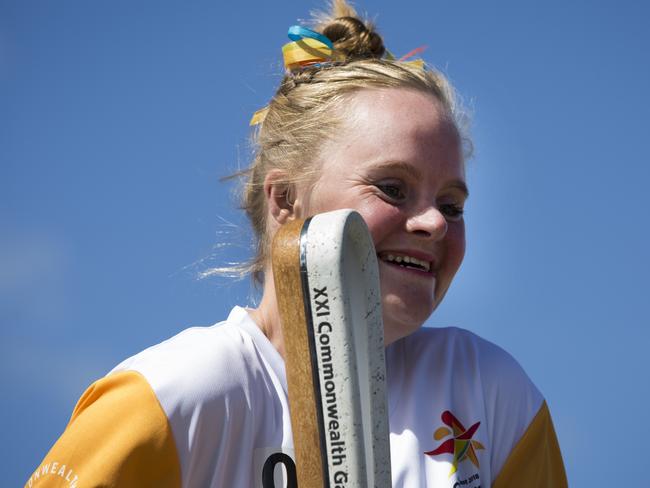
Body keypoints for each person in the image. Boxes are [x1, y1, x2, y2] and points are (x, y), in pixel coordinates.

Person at [26, 1, 567, 487]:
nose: (434, 224)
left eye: (452, 204)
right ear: (285, 200)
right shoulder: (171, 398)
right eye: (393, 188)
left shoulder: (490, 394)